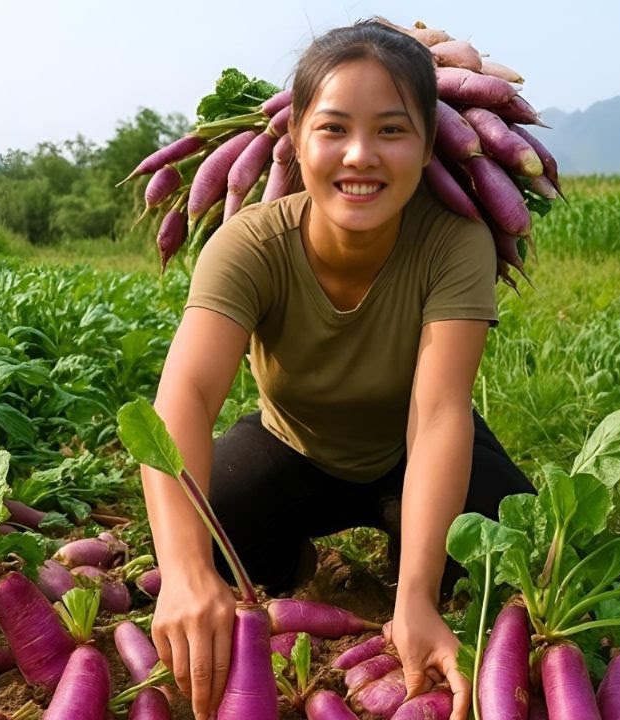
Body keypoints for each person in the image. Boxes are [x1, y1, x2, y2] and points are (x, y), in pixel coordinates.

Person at [139, 19, 534, 720]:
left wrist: (414, 594)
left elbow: (438, 411)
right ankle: (292, 564)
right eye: (333, 129)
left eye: (391, 130)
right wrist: (183, 572)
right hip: (293, 448)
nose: (361, 156)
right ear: (295, 139)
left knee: (526, 559)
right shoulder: (250, 245)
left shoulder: (455, 244)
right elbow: (187, 398)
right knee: (208, 535)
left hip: (412, 453)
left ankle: (410, 559)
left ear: (426, 144)